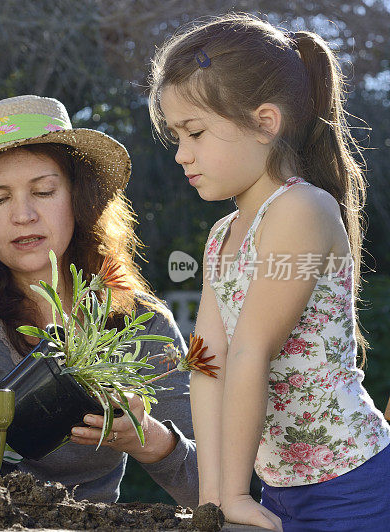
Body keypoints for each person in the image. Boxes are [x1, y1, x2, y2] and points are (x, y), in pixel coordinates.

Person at [148, 13, 390, 531]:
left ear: (264, 122)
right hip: (277, 487)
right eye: (176, 137)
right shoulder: (221, 235)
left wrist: (234, 491)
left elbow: (251, 349)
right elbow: (206, 362)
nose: (182, 155)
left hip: (350, 482)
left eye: (195, 132)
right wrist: (214, 497)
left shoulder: (302, 209)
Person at [0, 94, 198, 505]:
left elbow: (212, 486)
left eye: (44, 191)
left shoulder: (143, 320)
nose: (23, 214)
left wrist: (148, 437)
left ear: (79, 198)